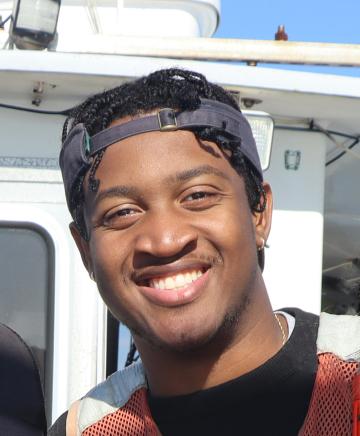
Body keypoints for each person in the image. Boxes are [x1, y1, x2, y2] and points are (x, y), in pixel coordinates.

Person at [50, 68, 360, 435]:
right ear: (86, 251)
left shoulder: (348, 378)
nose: (165, 240)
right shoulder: (84, 430)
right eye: (122, 213)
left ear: (258, 211)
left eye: (197, 196)